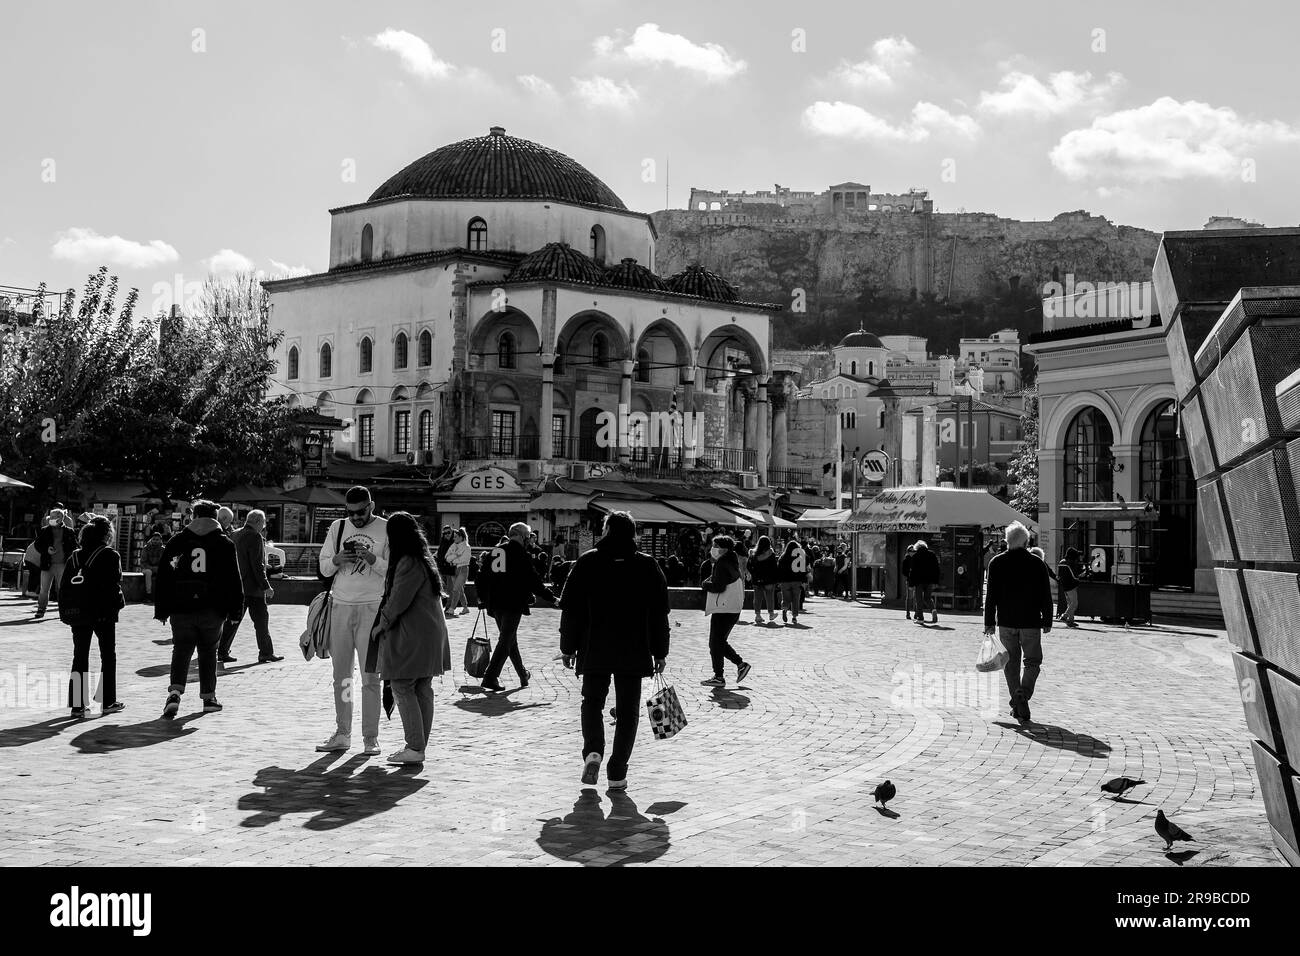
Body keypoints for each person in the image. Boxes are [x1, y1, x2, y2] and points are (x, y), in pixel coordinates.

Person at [560, 510, 670, 789]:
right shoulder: (647, 565)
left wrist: (568, 647)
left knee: (592, 703)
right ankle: (617, 771)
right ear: (633, 533)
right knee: (628, 712)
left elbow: (571, 609)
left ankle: (593, 752)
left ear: (607, 530)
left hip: (594, 646)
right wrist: (660, 651)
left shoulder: (588, 562)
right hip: (634, 649)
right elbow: (660, 613)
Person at [365, 512, 451, 765]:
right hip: (430, 633)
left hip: (413, 634)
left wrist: (380, 625)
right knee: (423, 687)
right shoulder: (424, 558)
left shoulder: (407, 562)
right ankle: (418, 746)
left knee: (402, 685)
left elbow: (398, 600)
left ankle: (414, 746)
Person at [316, 486, 390, 754]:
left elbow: (392, 571)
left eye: (361, 512)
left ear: (371, 506)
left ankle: (370, 737)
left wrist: (371, 558)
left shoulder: (386, 528)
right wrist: (337, 559)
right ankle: (343, 732)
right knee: (342, 676)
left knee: (371, 677)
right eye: (351, 513)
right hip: (341, 607)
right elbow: (324, 567)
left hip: (372, 607)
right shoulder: (337, 527)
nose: (356, 518)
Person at [154, 500, 244, 718]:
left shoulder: (178, 540)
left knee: (181, 650)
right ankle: (209, 698)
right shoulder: (224, 543)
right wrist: (235, 611)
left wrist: (162, 609)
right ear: (215, 518)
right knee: (209, 651)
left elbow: (164, 576)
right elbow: (234, 580)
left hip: (181, 607)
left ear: (194, 516)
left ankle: (174, 693)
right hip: (212, 608)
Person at [983, 521, 1054, 725]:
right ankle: (1022, 693)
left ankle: (1017, 700)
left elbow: (991, 596)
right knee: (1033, 661)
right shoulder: (1036, 563)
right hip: (1031, 621)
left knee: (1010, 663)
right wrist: (1047, 619)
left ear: (1007, 541)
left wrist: (989, 622)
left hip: (1006, 622)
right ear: (1026, 542)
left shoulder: (996, 562)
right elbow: (1045, 594)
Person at [478, 521, 554, 693]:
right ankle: (490, 676)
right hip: (512, 603)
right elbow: (533, 580)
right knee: (506, 641)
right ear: (520, 536)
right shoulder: (520, 553)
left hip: (496, 603)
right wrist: (551, 598)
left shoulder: (496, 551)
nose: (529, 540)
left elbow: (482, 577)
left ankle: (522, 674)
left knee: (510, 640)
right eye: (527, 536)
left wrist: (483, 598)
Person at [61, 516, 125, 718]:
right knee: (108, 655)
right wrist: (117, 605)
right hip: (102, 612)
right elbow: (114, 584)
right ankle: (107, 701)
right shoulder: (110, 555)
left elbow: (63, 586)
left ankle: (77, 705)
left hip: (78, 611)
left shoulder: (74, 557)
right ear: (107, 534)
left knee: (80, 656)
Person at [220, 509, 283, 664]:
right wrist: (266, 586)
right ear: (258, 522)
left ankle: (222, 651)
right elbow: (257, 565)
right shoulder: (255, 536)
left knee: (232, 621)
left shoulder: (235, 534)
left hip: (237, 585)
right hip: (253, 588)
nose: (264, 526)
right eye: (264, 523)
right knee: (261, 622)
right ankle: (266, 653)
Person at [700, 535, 751, 686]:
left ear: (724, 549)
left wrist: (705, 584)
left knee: (715, 643)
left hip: (723, 608)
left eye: (716, 546)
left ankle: (720, 676)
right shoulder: (732, 561)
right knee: (718, 642)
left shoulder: (722, 563)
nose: (713, 549)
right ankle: (739, 666)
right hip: (732, 608)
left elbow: (718, 586)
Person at [34, 508, 79, 619]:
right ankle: (41, 609)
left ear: (60, 518)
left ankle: (64, 610)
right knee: (44, 589)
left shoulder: (69, 531)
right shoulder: (44, 530)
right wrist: (46, 550)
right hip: (47, 564)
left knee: (62, 589)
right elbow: (37, 545)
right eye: (51, 516)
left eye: (53, 517)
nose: (51, 519)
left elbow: (75, 547)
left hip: (63, 564)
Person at [748, 534, 779, 625]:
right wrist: (775, 578)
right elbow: (774, 567)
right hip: (769, 579)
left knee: (757, 598)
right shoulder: (771, 554)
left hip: (757, 579)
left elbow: (749, 566)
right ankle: (771, 614)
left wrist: (754, 574)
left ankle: (758, 615)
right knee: (769, 597)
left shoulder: (753, 554)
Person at [776, 538, 807, 625]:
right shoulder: (799, 557)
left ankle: (785, 609)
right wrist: (803, 580)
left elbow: (779, 569)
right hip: (796, 581)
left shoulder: (783, 557)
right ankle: (794, 617)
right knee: (795, 599)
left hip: (785, 581)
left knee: (785, 597)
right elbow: (802, 570)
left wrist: (779, 580)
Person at [909, 539, 941, 624]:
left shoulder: (915, 556)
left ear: (917, 547)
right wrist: (936, 581)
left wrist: (911, 584)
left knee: (919, 599)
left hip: (919, 581)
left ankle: (920, 618)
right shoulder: (932, 554)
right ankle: (933, 610)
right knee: (928, 598)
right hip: (929, 581)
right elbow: (937, 569)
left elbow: (912, 572)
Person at [443, 527, 472, 617]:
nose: (454, 538)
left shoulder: (467, 547)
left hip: (463, 569)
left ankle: (452, 608)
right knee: (459, 590)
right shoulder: (453, 546)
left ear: (461, 537)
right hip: (454, 569)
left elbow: (465, 559)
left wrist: (453, 560)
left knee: (456, 589)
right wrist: (456, 555)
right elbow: (446, 557)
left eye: (456, 536)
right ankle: (465, 607)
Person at [1057, 547, 1082, 627]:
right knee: (1074, 603)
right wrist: (1081, 575)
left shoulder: (1061, 562)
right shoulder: (1069, 563)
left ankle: (1070, 621)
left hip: (1064, 586)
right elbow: (1075, 576)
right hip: (1071, 586)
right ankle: (1064, 616)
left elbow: (1059, 575)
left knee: (1070, 604)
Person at [141, 531, 166, 601]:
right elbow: (143, 562)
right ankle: (148, 595)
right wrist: (153, 568)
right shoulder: (146, 548)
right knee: (148, 572)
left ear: (160, 540)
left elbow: (165, 562)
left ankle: (162, 595)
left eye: (157, 539)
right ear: (151, 539)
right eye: (154, 539)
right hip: (147, 568)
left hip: (158, 568)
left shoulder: (163, 549)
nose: (155, 541)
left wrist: (159, 568)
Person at [900, 543, 917, 618]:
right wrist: (909, 572)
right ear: (908, 551)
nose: (912, 552)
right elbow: (903, 572)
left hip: (917, 581)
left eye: (914, 551)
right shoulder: (906, 560)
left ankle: (916, 613)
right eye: (911, 551)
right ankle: (908, 613)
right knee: (909, 597)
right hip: (909, 580)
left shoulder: (917, 559)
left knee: (916, 598)